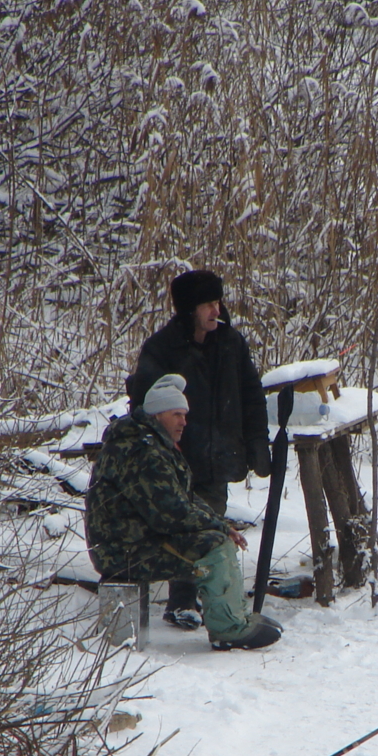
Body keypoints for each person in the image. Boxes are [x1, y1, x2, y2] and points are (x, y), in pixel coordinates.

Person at [85, 375, 281, 651]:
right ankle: (230, 630)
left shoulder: (152, 444)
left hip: (135, 540)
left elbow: (184, 497)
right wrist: (219, 529)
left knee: (216, 537)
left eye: (185, 415)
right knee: (213, 548)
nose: (184, 421)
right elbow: (171, 514)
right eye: (177, 414)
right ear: (158, 414)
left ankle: (237, 618)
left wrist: (220, 524)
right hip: (121, 550)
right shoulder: (142, 452)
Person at [125, 269, 271, 630]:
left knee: (211, 516)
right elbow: (141, 405)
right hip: (175, 457)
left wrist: (256, 441)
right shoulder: (161, 348)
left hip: (218, 455)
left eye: (218, 302)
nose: (215, 310)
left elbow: (252, 395)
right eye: (208, 304)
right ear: (190, 309)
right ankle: (182, 600)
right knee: (180, 523)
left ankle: (209, 597)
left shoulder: (231, 343)